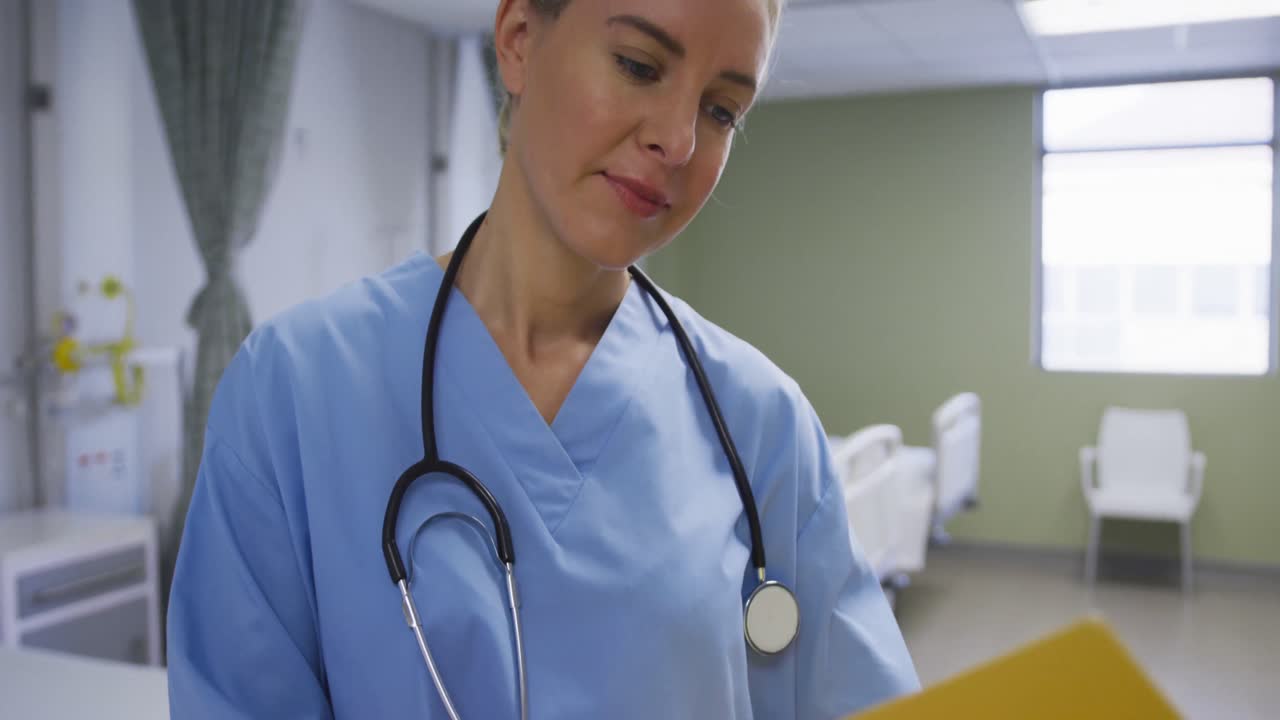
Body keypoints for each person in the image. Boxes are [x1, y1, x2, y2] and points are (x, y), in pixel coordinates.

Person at [166, 0, 920, 717]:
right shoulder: (293, 392)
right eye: (638, 64)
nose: (680, 140)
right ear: (520, 38)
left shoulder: (762, 424)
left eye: (721, 110)